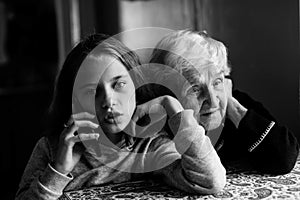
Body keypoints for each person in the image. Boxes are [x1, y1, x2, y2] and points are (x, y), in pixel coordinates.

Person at [15, 33, 226, 200]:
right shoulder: (52, 149)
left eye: (119, 84)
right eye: (91, 91)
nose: (108, 101)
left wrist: (173, 108)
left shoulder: (148, 145)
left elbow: (210, 181)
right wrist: (58, 169)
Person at [149, 30, 299, 175]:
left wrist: (233, 107)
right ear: (168, 94)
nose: (213, 100)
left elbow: (284, 158)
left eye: (217, 82)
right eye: (195, 88)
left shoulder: (235, 102)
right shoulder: (156, 126)